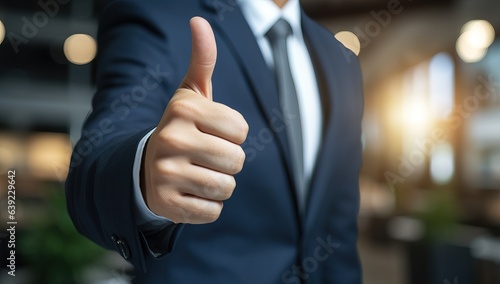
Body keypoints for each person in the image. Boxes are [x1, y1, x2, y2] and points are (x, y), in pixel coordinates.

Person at [65, 0, 364, 283]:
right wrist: (143, 172)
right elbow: (91, 168)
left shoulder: (341, 59)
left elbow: (338, 228)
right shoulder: (156, 15)